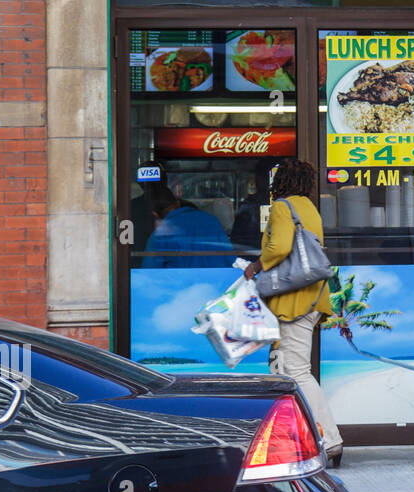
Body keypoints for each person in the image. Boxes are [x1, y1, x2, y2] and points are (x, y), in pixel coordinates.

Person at [242, 159, 344, 468]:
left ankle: (329, 441)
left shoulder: (282, 207)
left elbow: (280, 246)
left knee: (294, 370)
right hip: (311, 298)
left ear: (280, 182)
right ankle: (298, 438)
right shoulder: (309, 208)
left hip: (295, 301)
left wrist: (256, 266)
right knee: (289, 369)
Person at [142, 181, 233, 268]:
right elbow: (231, 260)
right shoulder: (212, 220)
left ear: (155, 214)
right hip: (219, 282)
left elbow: (149, 274)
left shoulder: (160, 235)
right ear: (178, 203)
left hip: (181, 283)